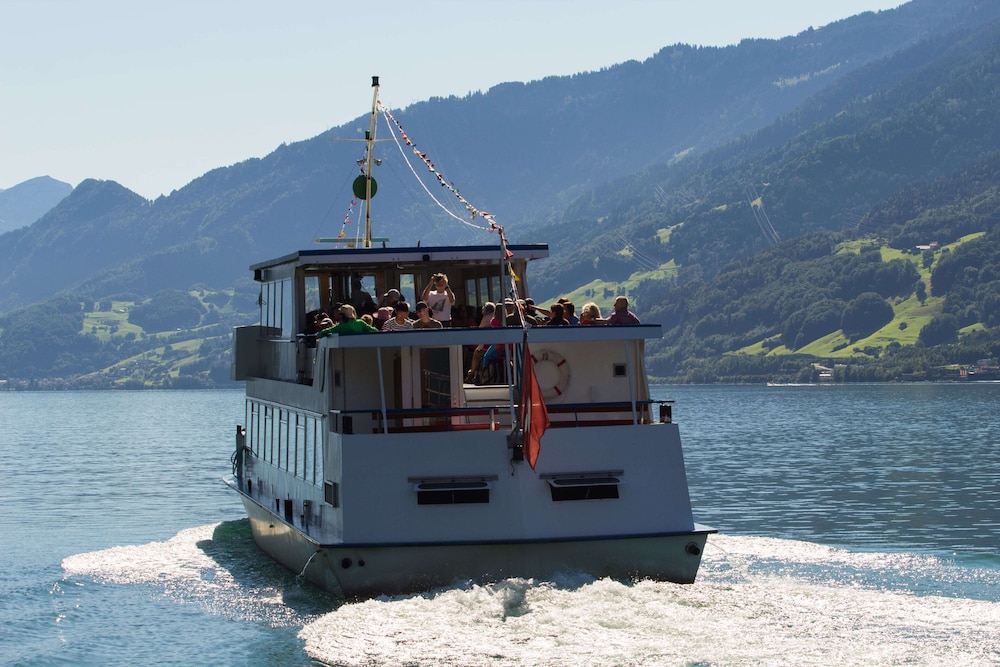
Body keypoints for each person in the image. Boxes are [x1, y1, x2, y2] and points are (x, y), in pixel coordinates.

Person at [465, 302, 497, 383]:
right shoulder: (496, 317)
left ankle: (472, 373)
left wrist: (480, 346)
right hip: (496, 344)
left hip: (488, 345)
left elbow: (481, 334)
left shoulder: (486, 318)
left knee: (476, 353)